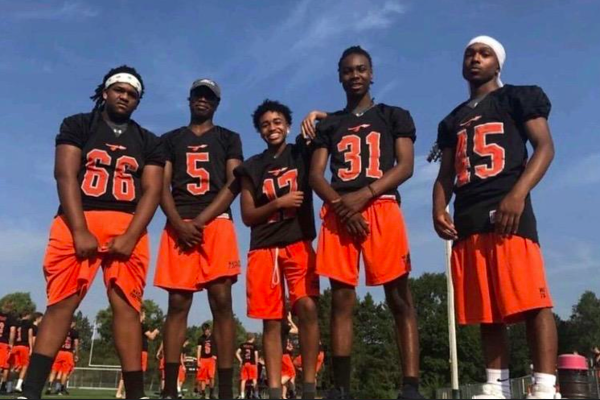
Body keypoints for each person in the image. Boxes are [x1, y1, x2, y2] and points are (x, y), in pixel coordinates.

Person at [21, 65, 164, 400]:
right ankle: (30, 391)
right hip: (77, 218)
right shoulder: (78, 124)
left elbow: (153, 190)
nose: (124, 97)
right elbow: (65, 175)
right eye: (119, 90)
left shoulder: (149, 141)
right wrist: (80, 228)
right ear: (105, 92)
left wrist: (130, 236)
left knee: (128, 308)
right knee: (60, 304)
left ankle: (135, 393)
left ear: (137, 102)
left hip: (128, 223)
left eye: (132, 94)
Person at [432, 36, 558, 400]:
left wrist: (516, 194)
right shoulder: (453, 119)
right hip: (468, 214)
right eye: (469, 53)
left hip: (507, 208)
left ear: (498, 63)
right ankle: (496, 384)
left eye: (484, 53)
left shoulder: (516, 97)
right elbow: (444, 175)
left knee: (533, 300)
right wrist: (438, 207)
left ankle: (546, 387)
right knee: (486, 307)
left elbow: (545, 147)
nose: (475, 58)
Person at [302, 46, 422, 399]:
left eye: (361, 69)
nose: (355, 75)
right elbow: (315, 175)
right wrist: (342, 207)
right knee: (341, 298)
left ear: (372, 74)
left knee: (399, 296)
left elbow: (405, 166)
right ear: (339, 76)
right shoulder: (331, 123)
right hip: (340, 211)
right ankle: (341, 387)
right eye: (348, 71)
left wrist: (364, 195)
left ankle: (410, 386)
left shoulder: (394, 115)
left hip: (380, 205)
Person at [154, 78, 243, 399]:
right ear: (189, 99)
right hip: (179, 222)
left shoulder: (229, 138)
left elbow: (233, 184)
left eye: (209, 96)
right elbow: (160, 185)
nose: (202, 100)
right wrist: (177, 222)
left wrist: (202, 220)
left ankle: (224, 389)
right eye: (197, 95)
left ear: (216, 104)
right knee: (177, 303)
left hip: (215, 223)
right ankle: (169, 387)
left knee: (222, 302)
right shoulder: (170, 139)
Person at [234, 99, 321, 399]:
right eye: (265, 124)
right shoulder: (253, 166)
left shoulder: (301, 152)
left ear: (288, 124)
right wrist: (277, 203)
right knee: (271, 320)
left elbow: (337, 125)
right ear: (259, 131)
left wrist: (315, 113)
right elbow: (247, 216)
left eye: (277, 121)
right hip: (264, 247)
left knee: (308, 307)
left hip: (298, 241)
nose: (272, 128)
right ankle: (273, 391)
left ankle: (309, 386)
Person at [115, 311, 159, 398]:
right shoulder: (142, 325)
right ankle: (136, 392)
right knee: (139, 372)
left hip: (130, 350)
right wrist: (156, 331)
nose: (144, 318)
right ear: (140, 316)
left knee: (127, 372)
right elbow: (151, 337)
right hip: (141, 350)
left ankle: (121, 392)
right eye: (144, 316)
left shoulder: (130, 326)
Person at [46, 320, 79, 396]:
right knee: (65, 372)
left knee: (54, 370)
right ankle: (61, 388)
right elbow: (76, 344)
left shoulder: (60, 330)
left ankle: (49, 387)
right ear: (73, 323)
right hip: (68, 353)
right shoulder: (74, 332)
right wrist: (76, 354)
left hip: (59, 352)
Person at [10, 311, 34, 393]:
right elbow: (30, 336)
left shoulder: (16, 323)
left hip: (16, 346)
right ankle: (18, 385)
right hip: (24, 346)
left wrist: (11, 345)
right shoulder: (28, 323)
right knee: (24, 366)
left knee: (14, 367)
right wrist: (31, 348)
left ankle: (9, 385)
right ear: (27, 315)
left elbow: (12, 333)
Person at [196, 323, 217, 399]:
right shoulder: (201, 339)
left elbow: (216, 347)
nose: (205, 332)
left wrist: (215, 355)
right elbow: (199, 349)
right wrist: (198, 360)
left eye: (206, 330)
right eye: (203, 330)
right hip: (203, 359)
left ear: (209, 329)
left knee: (211, 376)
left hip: (211, 359)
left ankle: (212, 393)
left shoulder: (213, 337)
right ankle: (203, 393)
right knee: (202, 378)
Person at [236, 334, 259, 399]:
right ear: (253, 338)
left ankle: (242, 395)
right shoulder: (254, 346)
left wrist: (240, 360)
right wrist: (256, 364)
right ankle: (256, 395)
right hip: (252, 364)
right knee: (254, 380)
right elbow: (256, 355)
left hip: (244, 363)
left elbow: (237, 352)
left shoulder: (242, 345)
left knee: (243, 380)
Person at [0, 302, 16, 394]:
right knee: (5, 366)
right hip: (4, 343)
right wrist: (11, 343)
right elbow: (12, 331)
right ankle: (3, 386)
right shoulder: (11, 318)